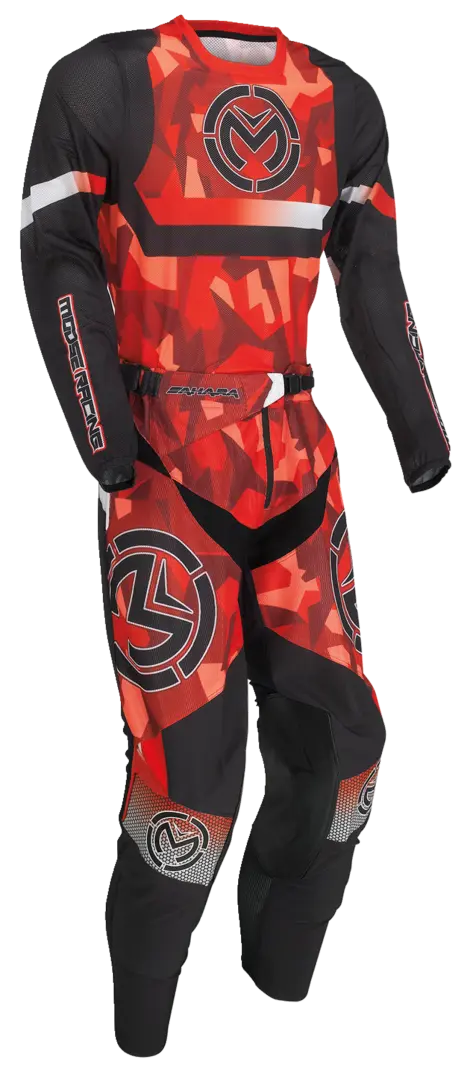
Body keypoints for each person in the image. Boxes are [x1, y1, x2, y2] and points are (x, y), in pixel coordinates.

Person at [17, 15, 451, 1060]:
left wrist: (417, 429)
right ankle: (139, 1031)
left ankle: (280, 979)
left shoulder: (340, 99)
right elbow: (60, 259)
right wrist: (104, 437)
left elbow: (373, 274)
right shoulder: (106, 81)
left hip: (293, 462)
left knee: (345, 749)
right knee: (190, 776)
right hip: (168, 471)